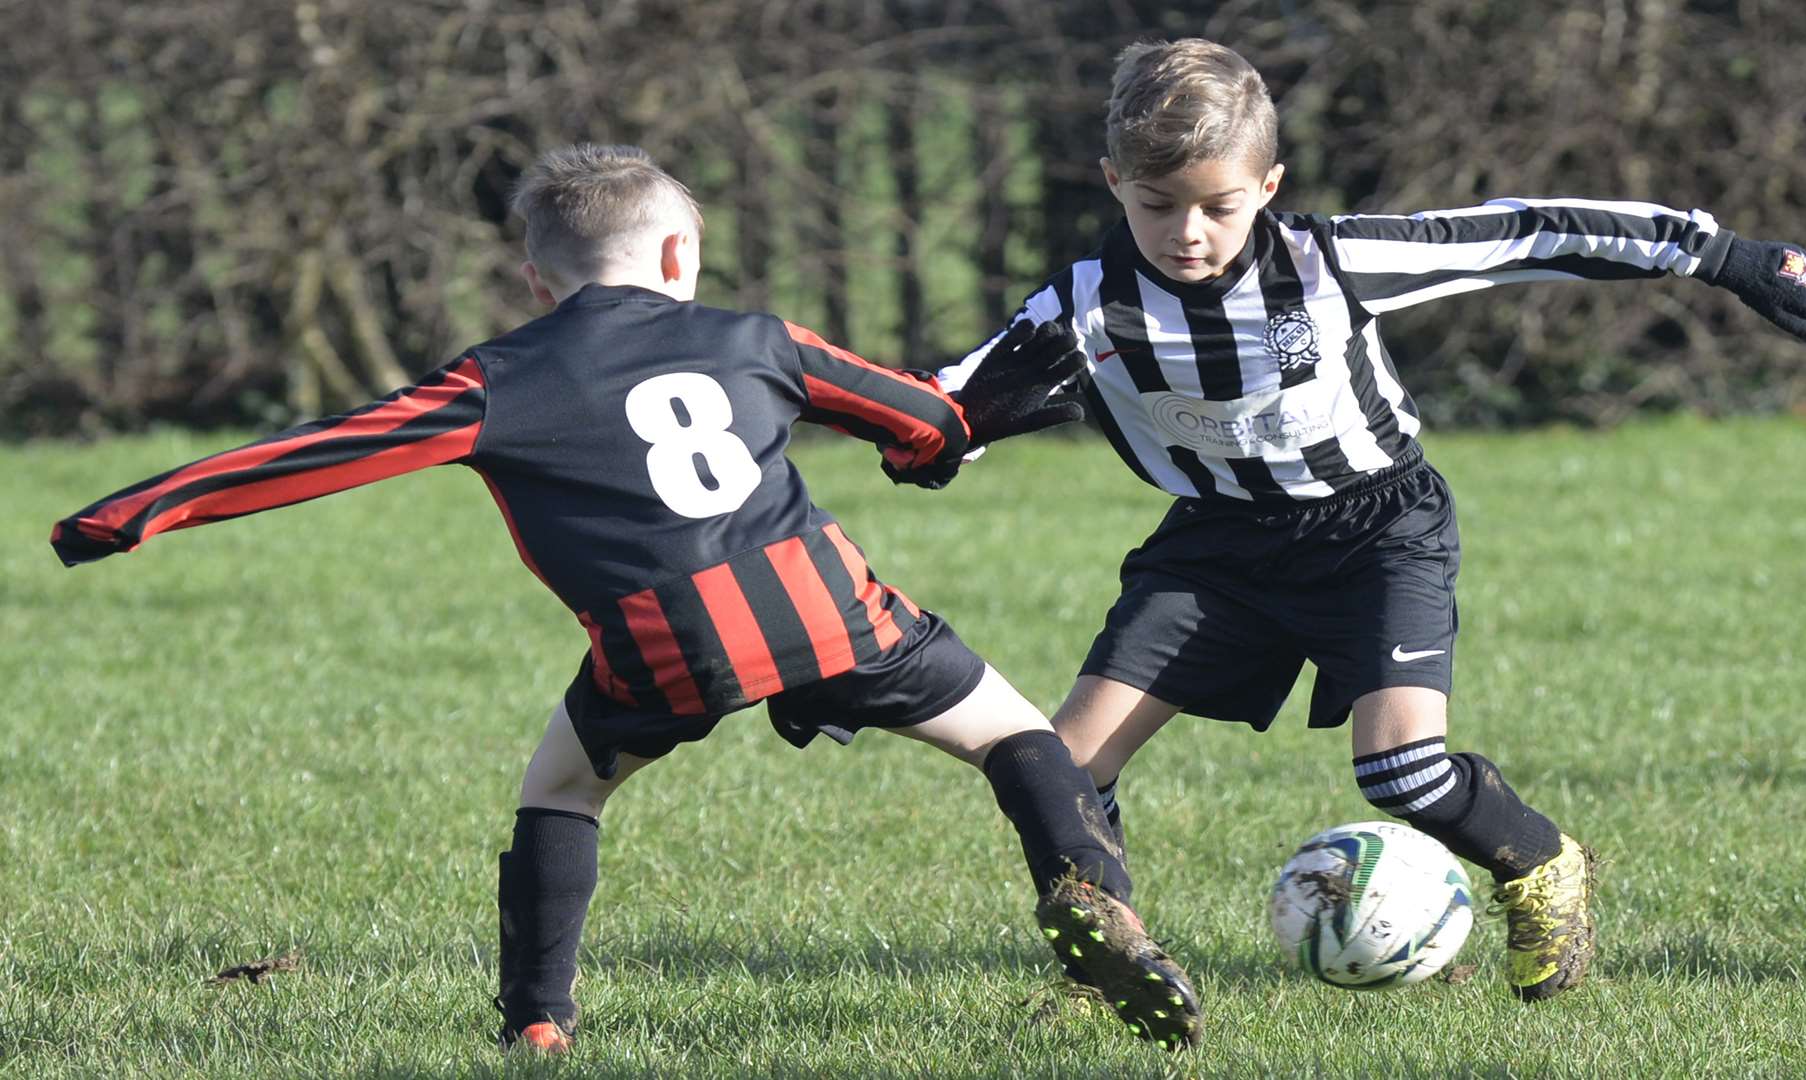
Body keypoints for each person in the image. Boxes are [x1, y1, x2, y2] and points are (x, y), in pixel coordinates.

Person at [48, 143, 1203, 1052]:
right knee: (1014, 736)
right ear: (679, 255)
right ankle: (1096, 905)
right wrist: (952, 434)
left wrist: (132, 511)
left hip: (662, 645)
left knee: (560, 791)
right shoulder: (758, 337)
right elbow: (922, 420)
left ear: (537, 281)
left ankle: (538, 1023)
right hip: (826, 607)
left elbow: (317, 450)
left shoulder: (491, 381)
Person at [894, 38, 1806, 1003]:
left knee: (1405, 775)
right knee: (1066, 768)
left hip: (1378, 531)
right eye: (1156, 205)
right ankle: (1105, 969)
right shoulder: (1083, 305)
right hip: (1217, 544)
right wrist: (920, 436)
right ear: (1114, 184)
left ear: (1268, 185)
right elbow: (949, 399)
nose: (1187, 232)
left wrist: (1720, 254)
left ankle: (1543, 862)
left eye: (1217, 206)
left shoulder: (1328, 262)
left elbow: (1524, 233)